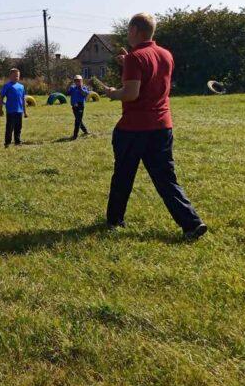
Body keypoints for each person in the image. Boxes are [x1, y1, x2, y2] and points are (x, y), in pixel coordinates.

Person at [95, 12, 207, 240]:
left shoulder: (135, 57)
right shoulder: (165, 54)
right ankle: (192, 223)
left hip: (134, 128)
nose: (127, 34)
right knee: (166, 178)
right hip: (162, 125)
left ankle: (115, 220)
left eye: (128, 30)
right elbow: (151, 77)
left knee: (123, 175)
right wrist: (128, 62)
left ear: (135, 30)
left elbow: (131, 93)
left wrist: (112, 93)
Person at [0, 68, 27, 147]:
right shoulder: (7, 86)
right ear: (10, 76)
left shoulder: (21, 86)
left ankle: (17, 142)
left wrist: (25, 112)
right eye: (14, 75)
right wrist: (0, 109)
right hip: (10, 111)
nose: (16, 77)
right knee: (9, 127)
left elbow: (23, 99)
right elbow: (1, 97)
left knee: (18, 127)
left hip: (19, 111)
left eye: (17, 76)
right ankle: (7, 143)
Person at [67, 74, 90, 139]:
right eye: (76, 81)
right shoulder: (72, 88)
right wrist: (68, 86)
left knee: (77, 120)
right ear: (74, 81)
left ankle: (75, 135)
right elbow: (67, 93)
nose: (78, 82)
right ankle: (85, 131)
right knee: (78, 120)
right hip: (74, 106)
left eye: (79, 81)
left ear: (81, 81)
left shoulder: (84, 87)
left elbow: (86, 94)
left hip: (80, 105)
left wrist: (80, 89)